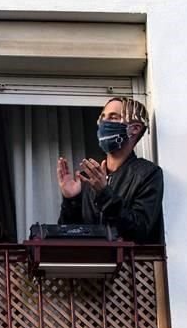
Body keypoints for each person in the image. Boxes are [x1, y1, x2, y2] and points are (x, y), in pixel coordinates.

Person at [56, 97, 164, 244]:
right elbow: (67, 237)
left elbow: (140, 230)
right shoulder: (86, 178)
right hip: (90, 265)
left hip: (127, 266)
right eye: (102, 117)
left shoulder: (147, 173)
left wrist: (104, 194)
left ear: (135, 129)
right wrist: (71, 200)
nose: (104, 123)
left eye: (113, 117)